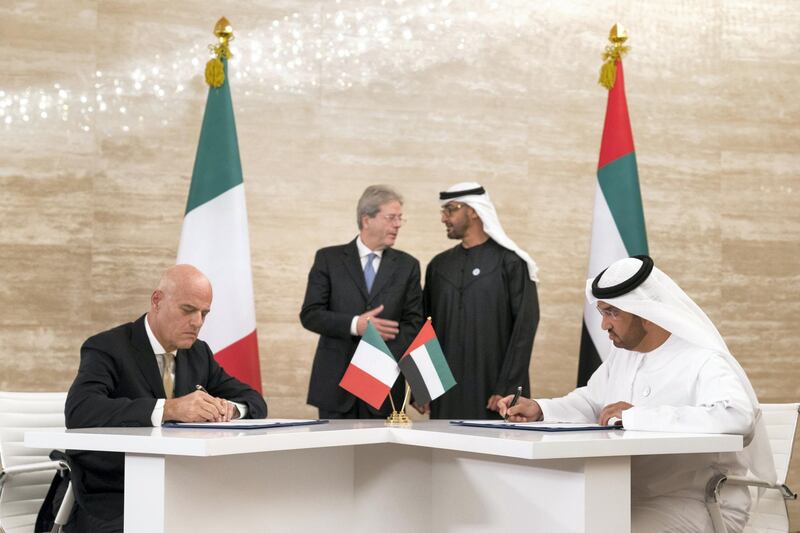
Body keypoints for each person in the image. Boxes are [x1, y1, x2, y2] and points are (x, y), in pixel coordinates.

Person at [499, 255, 775, 533]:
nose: (604, 325)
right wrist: (541, 409)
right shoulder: (623, 356)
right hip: (627, 493)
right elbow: (593, 401)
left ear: (645, 314)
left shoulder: (702, 358)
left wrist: (635, 416)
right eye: (603, 313)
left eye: (612, 313)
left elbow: (738, 417)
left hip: (698, 501)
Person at [59, 264, 268, 532]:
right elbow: (80, 410)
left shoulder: (198, 353)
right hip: (114, 491)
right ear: (157, 301)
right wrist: (169, 408)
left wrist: (230, 409)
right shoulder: (107, 347)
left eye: (204, 313)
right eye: (188, 310)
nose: (198, 323)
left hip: (182, 485)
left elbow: (253, 399)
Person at [300, 185, 424, 418]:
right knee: (336, 454)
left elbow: (414, 324)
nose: (397, 224)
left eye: (400, 219)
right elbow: (310, 314)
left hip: (385, 386)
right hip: (335, 385)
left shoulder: (408, 266)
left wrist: (379, 355)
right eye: (391, 217)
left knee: (382, 456)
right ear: (367, 219)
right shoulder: (328, 259)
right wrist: (356, 325)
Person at [421, 182, 540, 419]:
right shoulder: (439, 265)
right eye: (443, 212)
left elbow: (524, 329)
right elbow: (426, 329)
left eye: (451, 210)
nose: (444, 218)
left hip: (495, 393)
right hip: (446, 392)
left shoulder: (511, 263)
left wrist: (506, 387)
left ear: (474, 211)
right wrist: (423, 385)